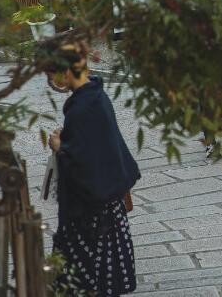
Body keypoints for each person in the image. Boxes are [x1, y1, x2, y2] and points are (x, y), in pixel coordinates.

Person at [39, 35, 140, 296]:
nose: (52, 82)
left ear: (64, 72)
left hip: (91, 213)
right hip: (107, 204)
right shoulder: (95, 95)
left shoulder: (82, 107)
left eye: (52, 74)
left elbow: (83, 161)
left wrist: (61, 147)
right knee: (103, 277)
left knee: (85, 276)